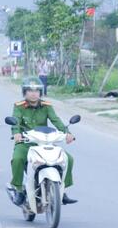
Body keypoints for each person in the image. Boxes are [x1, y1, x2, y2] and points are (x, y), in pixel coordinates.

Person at [9, 77, 77, 206]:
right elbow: (15, 121)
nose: (34, 93)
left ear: (41, 92)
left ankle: (61, 190)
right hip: (26, 142)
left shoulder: (47, 106)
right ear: (25, 92)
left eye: (37, 91)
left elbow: (55, 120)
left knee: (68, 159)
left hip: (45, 142)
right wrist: (16, 133)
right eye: (30, 90)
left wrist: (67, 133)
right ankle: (18, 190)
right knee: (17, 159)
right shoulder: (19, 107)